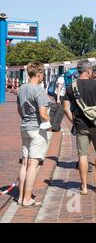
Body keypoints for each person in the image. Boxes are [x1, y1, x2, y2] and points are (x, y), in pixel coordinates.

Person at [63, 60, 96, 195]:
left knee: (82, 155)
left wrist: (74, 121)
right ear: (88, 70)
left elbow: (66, 108)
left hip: (80, 125)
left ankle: (84, 187)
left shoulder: (71, 86)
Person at [16, 62, 52, 207]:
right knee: (34, 163)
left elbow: (19, 110)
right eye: (42, 73)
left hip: (25, 127)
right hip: (37, 129)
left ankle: (20, 197)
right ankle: (27, 198)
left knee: (25, 162)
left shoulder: (21, 89)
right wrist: (49, 121)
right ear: (38, 74)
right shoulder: (39, 90)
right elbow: (43, 114)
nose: (43, 76)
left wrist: (26, 119)